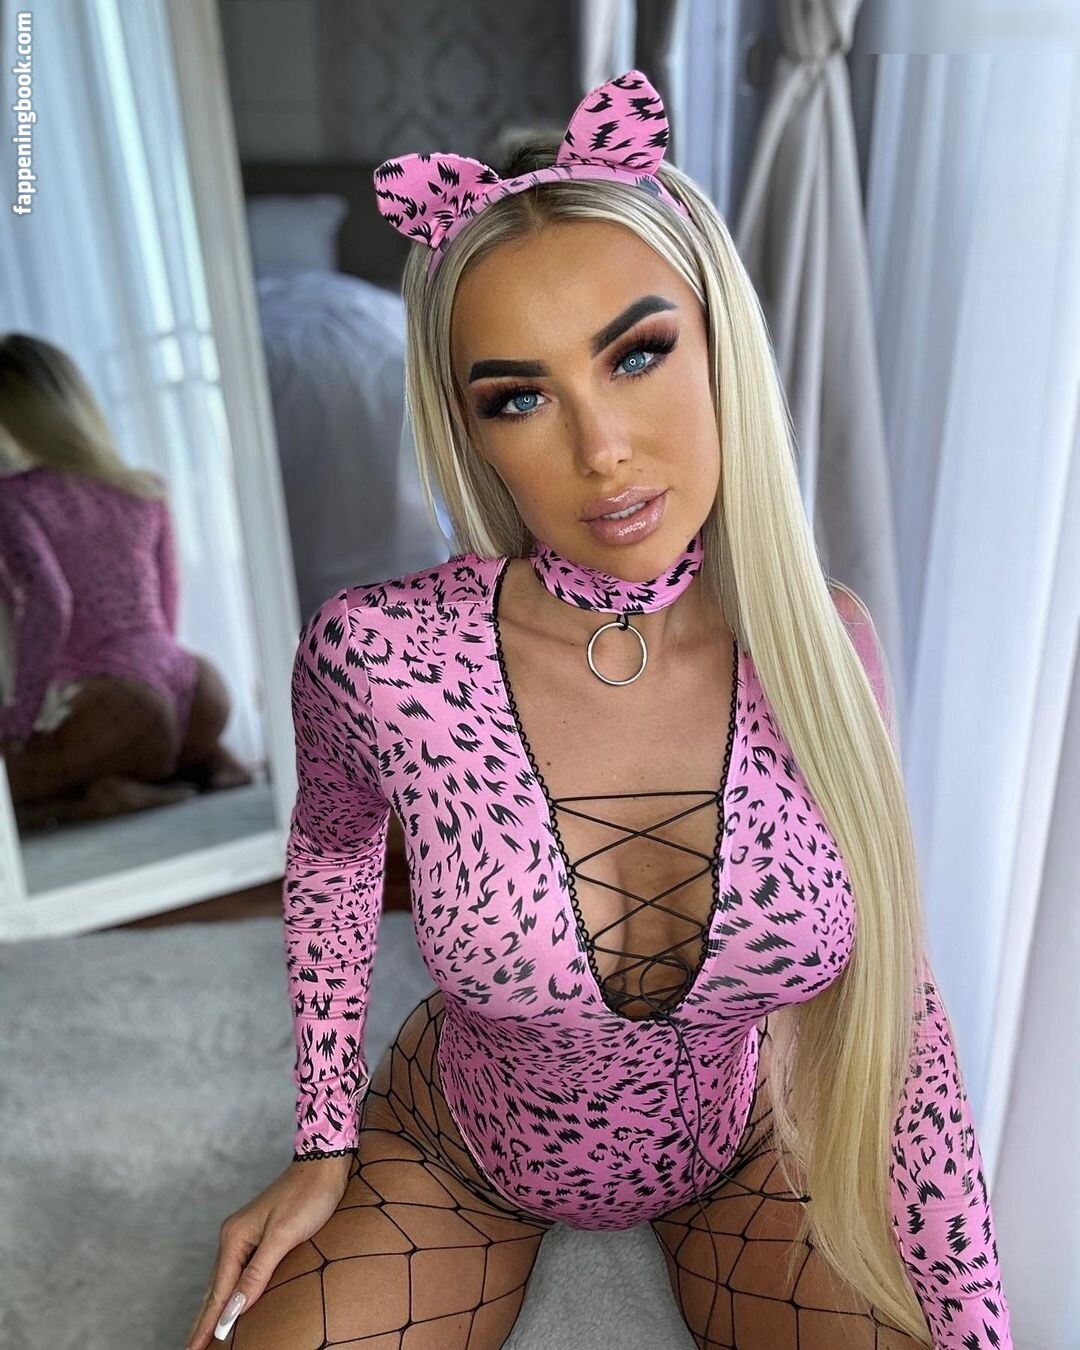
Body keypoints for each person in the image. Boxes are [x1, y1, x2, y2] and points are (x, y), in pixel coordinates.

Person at [187, 70, 1013, 1350]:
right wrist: (323, 1135)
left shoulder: (826, 647)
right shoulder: (383, 656)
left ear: (719, 341)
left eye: (637, 354)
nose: (602, 448)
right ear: (471, 433)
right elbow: (334, 855)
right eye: (518, 397)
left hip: (738, 1146)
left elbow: (898, 1010)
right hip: (463, 1148)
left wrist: (976, 1322)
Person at [0, 334, 251, 829]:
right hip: (197, 685)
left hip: (122, 701)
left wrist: (18, 717)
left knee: (14, 787)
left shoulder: (13, 498)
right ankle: (208, 762)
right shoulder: (143, 488)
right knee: (135, 739)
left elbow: (49, 605)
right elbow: (167, 600)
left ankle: (100, 799)